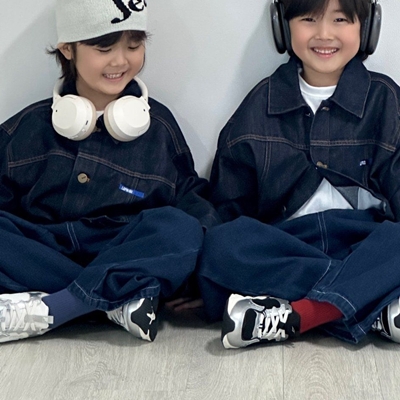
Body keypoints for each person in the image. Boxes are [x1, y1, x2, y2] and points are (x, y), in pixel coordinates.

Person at [0, 0, 219, 344]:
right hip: (47, 250)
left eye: (133, 45)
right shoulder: (27, 129)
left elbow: (191, 201)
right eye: (104, 48)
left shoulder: (159, 127)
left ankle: (58, 307)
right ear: (68, 49)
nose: (120, 61)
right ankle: (118, 298)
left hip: (124, 247)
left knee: (180, 228)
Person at [198, 0, 400, 349]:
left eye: (340, 19)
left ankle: (298, 315)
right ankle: (370, 304)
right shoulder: (260, 103)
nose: (324, 34)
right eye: (309, 19)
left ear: (367, 28)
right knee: (221, 245)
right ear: (282, 26)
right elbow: (229, 204)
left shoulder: (385, 99)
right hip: (290, 246)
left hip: (365, 242)